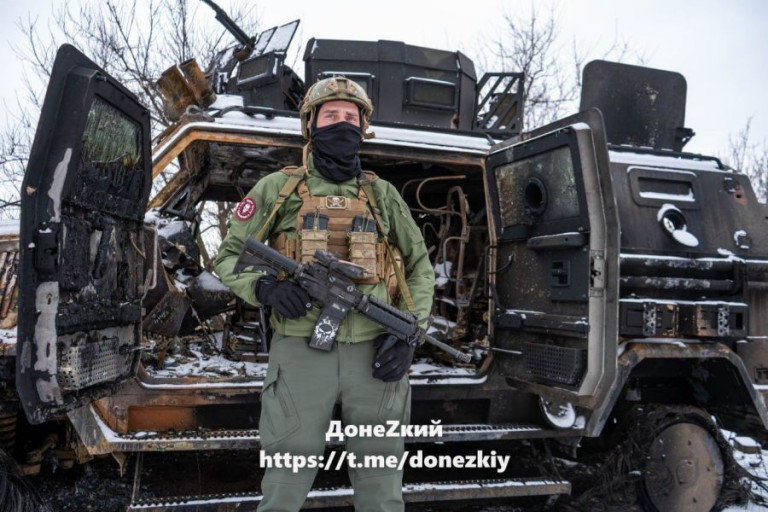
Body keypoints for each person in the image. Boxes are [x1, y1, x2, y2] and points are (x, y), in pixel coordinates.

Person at [213, 76, 435, 512]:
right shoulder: (278, 189)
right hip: (300, 354)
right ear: (311, 125)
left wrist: (412, 334)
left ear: (363, 128)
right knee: (284, 486)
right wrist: (264, 289)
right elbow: (228, 257)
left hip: (376, 359)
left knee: (382, 492)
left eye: (351, 118)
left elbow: (419, 269)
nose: (342, 124)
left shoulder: (382, 195)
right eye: (331, 116)